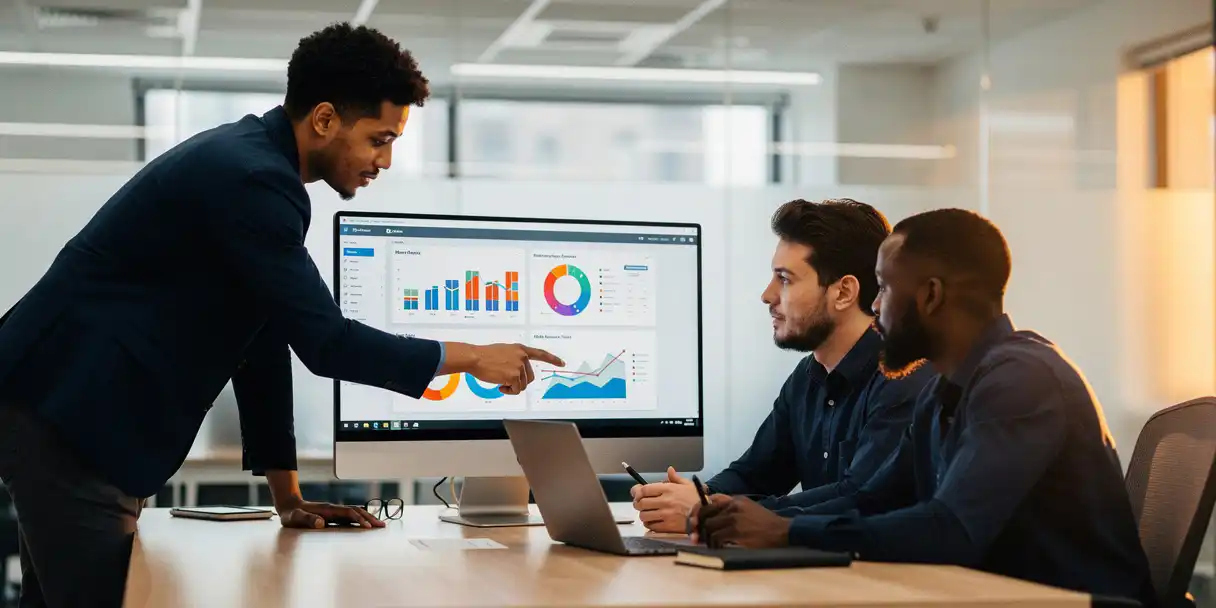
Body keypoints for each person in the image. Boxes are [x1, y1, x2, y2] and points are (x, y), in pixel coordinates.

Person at [0, 23, 562, 607]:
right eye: (378, 138)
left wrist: (286, 495)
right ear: (323, 120)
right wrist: (473, 358)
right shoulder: (253, 179)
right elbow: (328, 345)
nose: (386, 160)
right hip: (70, 420)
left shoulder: (255, 169)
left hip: (61, 410)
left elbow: (259, 338)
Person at [690, 208, 1155, 605]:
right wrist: (757, 521)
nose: (874, 306)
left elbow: (951, 529)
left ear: (930, 296)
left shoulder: (1021, 381)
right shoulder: (943, 389)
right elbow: (870, 497)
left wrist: (786, 533)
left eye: (885, 289)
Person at [630, 199, 933, 533]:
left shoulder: (905, 378)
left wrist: (712, 511)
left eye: (785, 279)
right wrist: (697, 496)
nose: (767, 295)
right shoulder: (808, 377)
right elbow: (756, 473)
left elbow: (859, 499)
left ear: (844, 292)